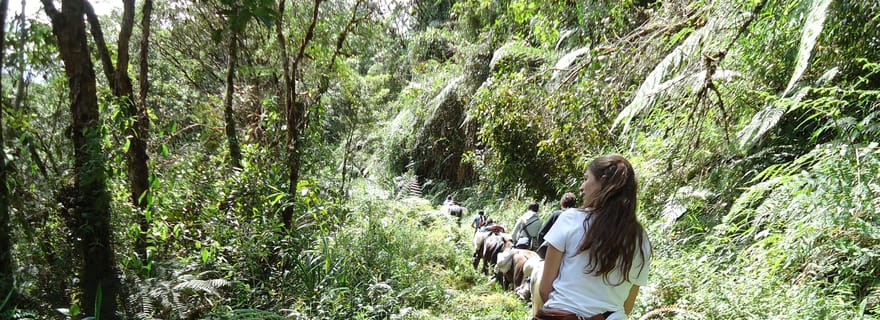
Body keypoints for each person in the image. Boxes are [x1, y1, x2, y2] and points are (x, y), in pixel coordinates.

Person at [537, 154, 651, 320]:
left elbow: (544, 288)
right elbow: (627, 306)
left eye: (586, 179)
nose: (581, 187)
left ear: (602, 182)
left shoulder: (570, 219)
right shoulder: (641, 239)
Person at [535, 192, 578, 259]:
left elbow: (541, 233)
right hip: (570, 255)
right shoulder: (577, 216)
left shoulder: (557, 214)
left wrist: (542, 251)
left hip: (553, 253)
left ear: (562, 202)